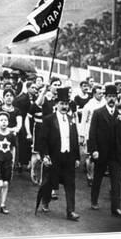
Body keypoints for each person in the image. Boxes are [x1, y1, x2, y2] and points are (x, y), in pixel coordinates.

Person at [38, 87, 81, 221]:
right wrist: (45, 155)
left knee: (70, 184)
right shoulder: (49, 119)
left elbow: (74, 139)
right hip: (54, 156)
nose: (64, 106)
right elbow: (43, 139)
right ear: (56, 104)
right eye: (62, 104)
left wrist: (77, 157)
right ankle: (45, 200)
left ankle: (70, 211)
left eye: (66, 104)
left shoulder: (71, 119)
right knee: (50, 182)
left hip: (68, 157)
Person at [88, 84, 121, 217]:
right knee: (98, 178)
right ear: (105, 97)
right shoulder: (98, 113)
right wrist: (93, 150)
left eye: (114, 97)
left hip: (115, 154)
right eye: (109, 96)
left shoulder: (120, 114)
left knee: (116, 180)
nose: (112, 99)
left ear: (117, 98)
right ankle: (94, 200)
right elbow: (92, 133)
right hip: (101, 152)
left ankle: (116, 208)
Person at [79, 84, 105, 186]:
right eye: (99, 93)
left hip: (101, 133)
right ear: (94, 94)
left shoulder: (104, 103)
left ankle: (96, 176)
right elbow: (83, 121)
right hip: (90, 132)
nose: (102, 95)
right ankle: (90, 176)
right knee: (90, 156)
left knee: (99, 156)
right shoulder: (88, 105)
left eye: (102, 93)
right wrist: (82, 135)